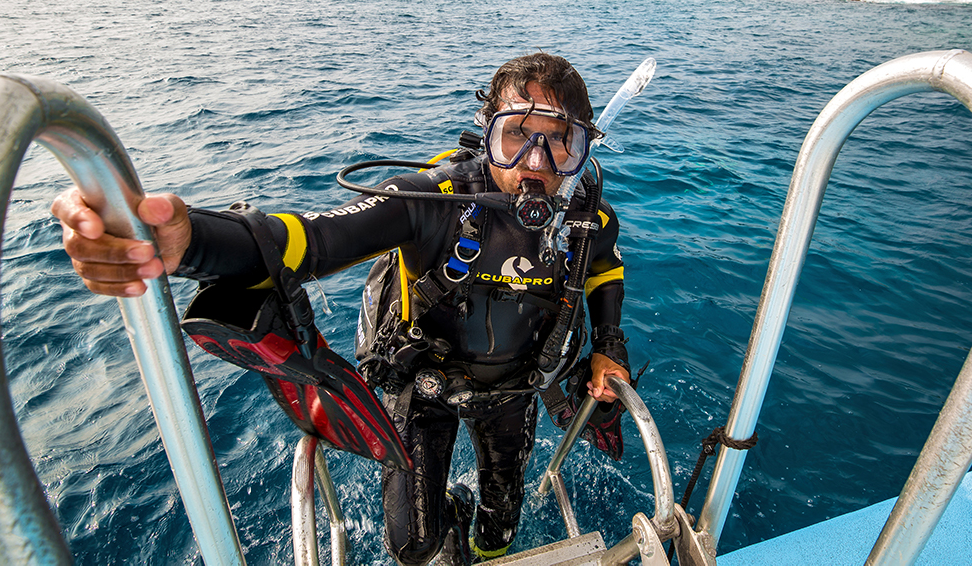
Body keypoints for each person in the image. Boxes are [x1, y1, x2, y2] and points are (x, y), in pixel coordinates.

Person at [52, 53, 630, 565]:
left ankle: (485, 552)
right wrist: (187, 241)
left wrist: (608, 346)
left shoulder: (585, 219)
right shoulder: (432, 201)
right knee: (415, 548)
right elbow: (307, 239)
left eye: (560, 141)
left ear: (583, 149)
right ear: (487, 136)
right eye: (517, 136)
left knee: (501, 526)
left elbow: (604, 268)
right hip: (422, 386)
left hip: (514, 390)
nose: (536, 161)